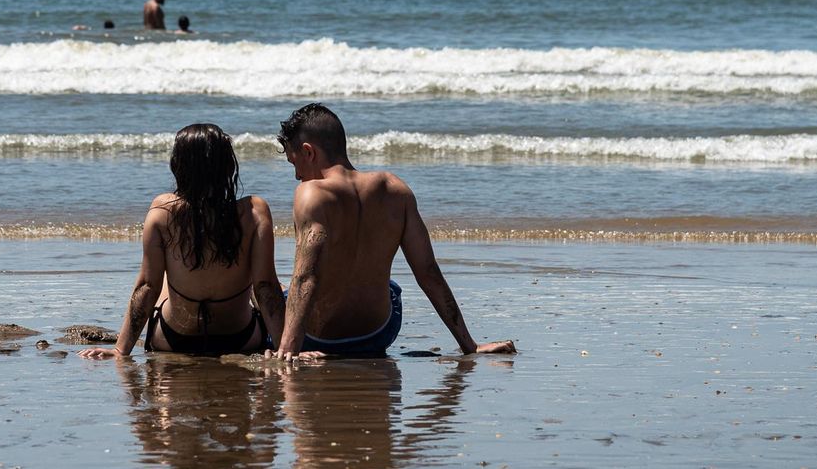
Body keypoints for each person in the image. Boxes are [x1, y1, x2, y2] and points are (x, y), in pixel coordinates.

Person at [271, 104, 516, 359]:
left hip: (316, 339)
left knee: (269, 289)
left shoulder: (311, 194)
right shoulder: (395, 189)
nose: (297, 175)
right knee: (389, 287)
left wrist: (289, 351)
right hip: (377, 334)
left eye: (294, 163)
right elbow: (428, 272)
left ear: (309, 152)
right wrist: (470, 345)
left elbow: (306, 278)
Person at [81, 124, 285, 358]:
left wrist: (120, 349)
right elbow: (265, 287)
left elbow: (147, 286)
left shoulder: (162, 211)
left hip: (174, 338)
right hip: (240, 339)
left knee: (164, 276)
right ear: (228, 166)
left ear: (178, 166)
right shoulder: (254, 212)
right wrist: (285, 349)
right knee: (265, 283)